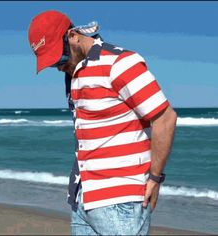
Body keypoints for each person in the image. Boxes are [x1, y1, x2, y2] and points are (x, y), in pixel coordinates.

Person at [28, 10, 177, 235]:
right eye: (51, 63)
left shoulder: (120, 63)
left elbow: (165, 118)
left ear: (73, 36)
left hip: (120, 200)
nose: (58, 67)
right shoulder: (74, 73)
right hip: (83, 198)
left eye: (60, 58)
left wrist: (155, 178)